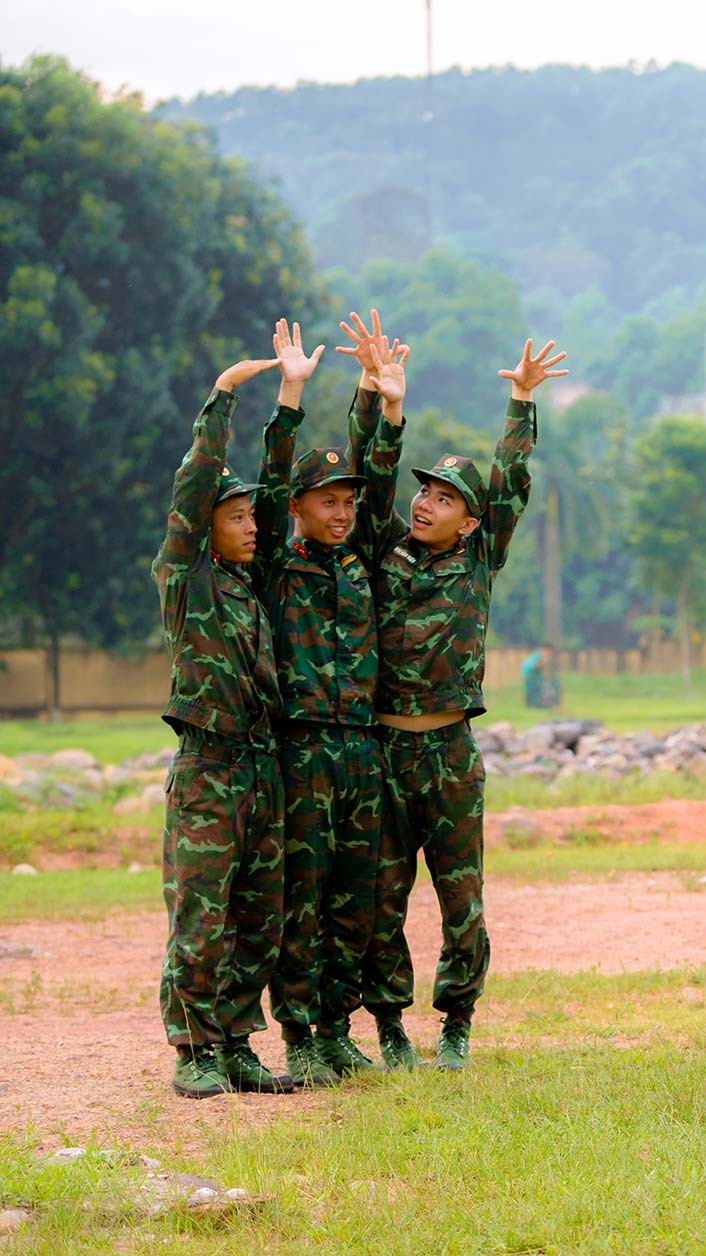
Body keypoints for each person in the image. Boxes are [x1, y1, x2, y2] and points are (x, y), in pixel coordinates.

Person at [357, 336, 566, 1070]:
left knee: (460, 896)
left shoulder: (480, 557)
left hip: (448, 751)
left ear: (470, 522)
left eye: (445, 499)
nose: (426, 504)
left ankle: (456, 1024)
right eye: (425, 492)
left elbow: (510, 479)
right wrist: (389, 406)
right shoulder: (384, 549)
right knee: (380, 897)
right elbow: (373, 478)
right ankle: (386, 1025)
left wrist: (521, 401)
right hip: (382, 750)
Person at [261, 311, 407, 1083]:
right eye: (328, 501)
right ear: (298, 506)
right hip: (303, 747)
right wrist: (291, 395)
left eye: (348, 502)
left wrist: (385, 407)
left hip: (360, 745)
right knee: (303, 900)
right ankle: (298, 1038)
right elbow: (274, 468)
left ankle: (336, 1027)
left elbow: (382, 481)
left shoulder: (362, 563)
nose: (344, 511)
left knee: (357, 898)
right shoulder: (275, 569)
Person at [152, 336, 297, 1099]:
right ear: (204, 528)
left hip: (260, 769)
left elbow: (278, 493)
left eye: (248, 516)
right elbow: (191, 490)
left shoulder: (253, 587)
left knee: (256, 915)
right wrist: (222, 399)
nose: (247, 525)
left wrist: (291, 403)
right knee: (202, 918)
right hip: (208, 770)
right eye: (233, 515)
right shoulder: (187, 580)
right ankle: (193, 1049)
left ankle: (237, 1042)